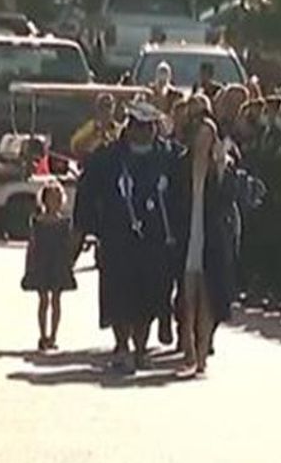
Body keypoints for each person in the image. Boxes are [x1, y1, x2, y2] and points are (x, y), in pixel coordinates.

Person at [87, 101, 180, 373]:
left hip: (155, 242)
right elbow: (90, 194)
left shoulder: (168, 157)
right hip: (118, 239)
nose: (143, 133)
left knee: (149, 297)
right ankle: (121, 346)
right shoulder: (108, 157)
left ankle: (141, 348)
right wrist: (89, 230)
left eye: (149, 127)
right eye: (138, 127)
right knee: (119, 296)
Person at [171, 114, 237, 376]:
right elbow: (174, 199)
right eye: (201, 135)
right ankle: (187, 347)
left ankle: (202, 353)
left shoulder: (221, 164)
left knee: (207, 297)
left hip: (211, 235)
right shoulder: (181, 164)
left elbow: (226, 201)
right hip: (187, 233)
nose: (204, 140)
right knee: (187, 296)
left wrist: (221, 169)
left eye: (210, 136)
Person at [21, 182, 77, 351]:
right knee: (43, 300)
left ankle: (53, 335)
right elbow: (32, 244)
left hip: (58, 263)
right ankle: (42, 334)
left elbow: (69, 245)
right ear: (44, 200)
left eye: (57, 198)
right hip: (42, 263)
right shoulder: (37, 222)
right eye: (51, 198)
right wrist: (29, 266)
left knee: (56, 300)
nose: (54, 202)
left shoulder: (65, 223)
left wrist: (70, 262)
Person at [70, 93, 119, 160]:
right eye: (104, 105)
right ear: (97, 107)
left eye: (110, 105)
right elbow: (76, 147)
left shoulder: (117, 128)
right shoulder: (88, 128)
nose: (107, 110)